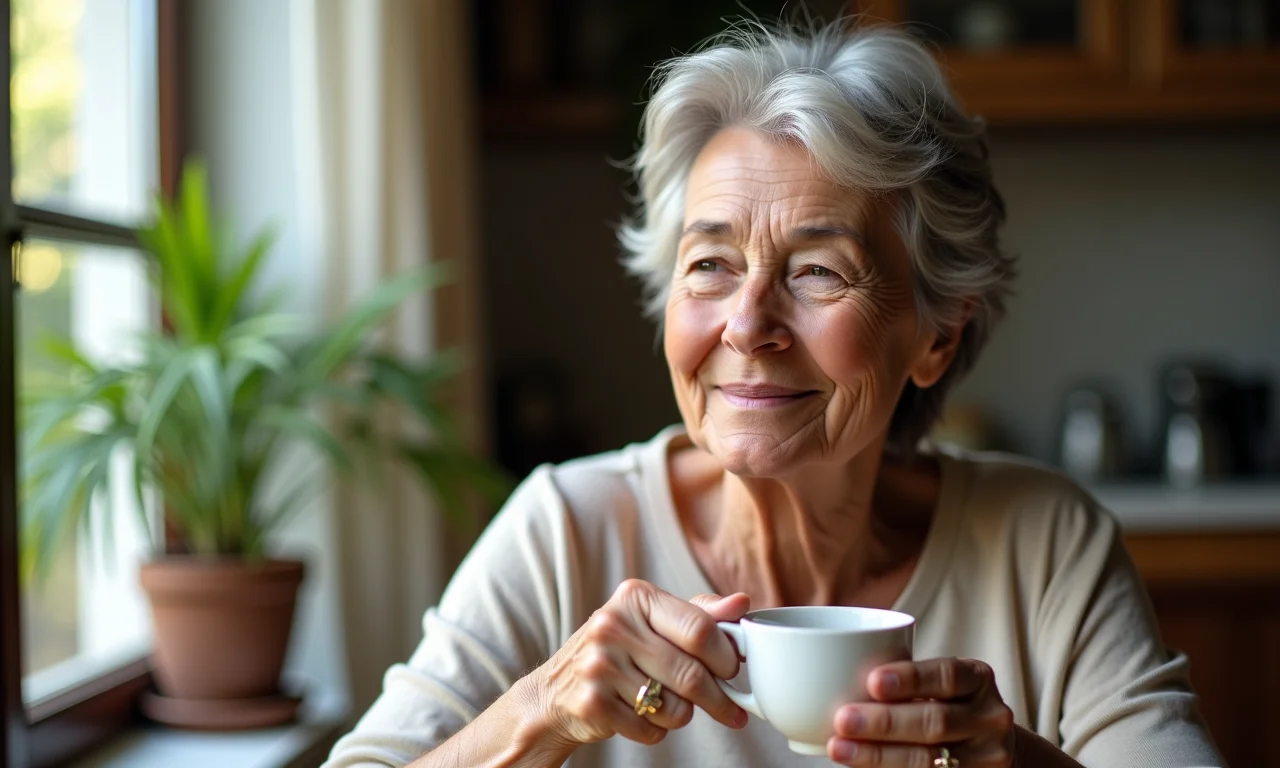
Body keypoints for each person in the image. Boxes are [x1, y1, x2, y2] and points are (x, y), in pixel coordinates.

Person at [324, 20, 1223, 768]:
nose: (748, 324)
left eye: (820, 272)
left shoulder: (1041, 543)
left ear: (935, 336)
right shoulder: (568, 528)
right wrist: (539, 715)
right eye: (710, 264)